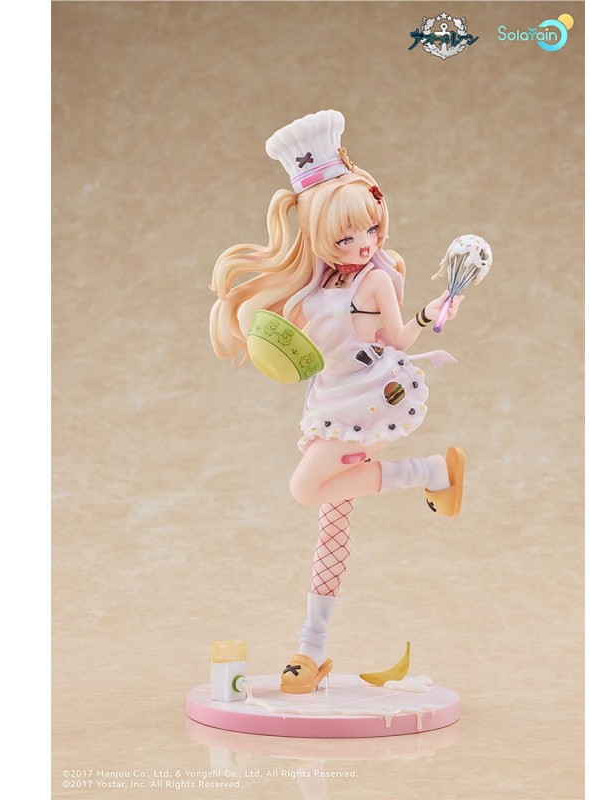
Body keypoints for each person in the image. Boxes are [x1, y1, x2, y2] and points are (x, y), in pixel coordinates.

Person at [209, 110, 465, 694]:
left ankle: (429, 472)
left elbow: (395, 339)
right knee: (331, 523)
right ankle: (311, 650)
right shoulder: (316, 282)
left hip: (367, 400)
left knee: (306, 489)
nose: (363, 243)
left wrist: (429, 313)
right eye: (346, 236)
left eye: (369, 229)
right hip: (329, 401)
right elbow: (295, 343)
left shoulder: (373, 280)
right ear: (319, 235)